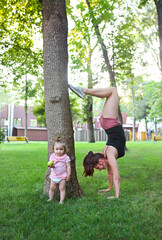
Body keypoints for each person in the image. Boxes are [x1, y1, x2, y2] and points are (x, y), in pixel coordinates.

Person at [68, 84, 126, 199]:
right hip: (108, 123)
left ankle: (84, 91)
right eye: (98, 168)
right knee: (110, 93)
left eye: (98, 166)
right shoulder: (107, 154)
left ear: (100, 160)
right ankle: (84, 91)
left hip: (110, 123)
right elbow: (111, 174)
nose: (100, 169)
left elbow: (116, 176)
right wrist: (109, 189)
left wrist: (116, 197)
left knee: (113, 91)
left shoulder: (108, 154)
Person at [48, 137, 71, 204]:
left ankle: (61, 201)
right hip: (54, 176)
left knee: (62, 188)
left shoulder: (66, 157)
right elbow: (51, 164)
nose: (59, 151)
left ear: (64, 150)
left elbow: (68, 166)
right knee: (52, 188)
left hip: (62, 176)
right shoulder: (52, 156)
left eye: (61, 149)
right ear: (53, 149)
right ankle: (50, 198)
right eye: (57, 149)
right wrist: (51, 166)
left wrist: (69, 175)